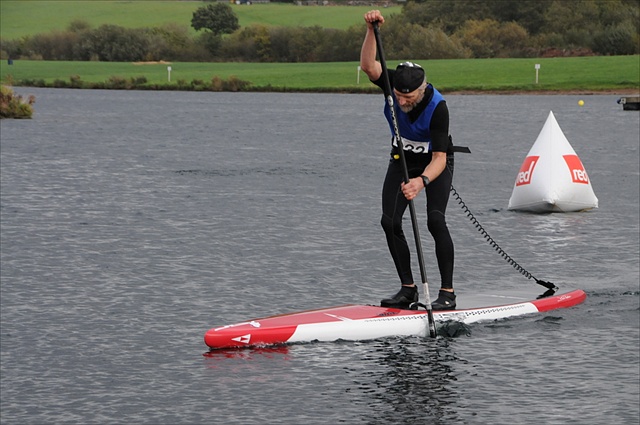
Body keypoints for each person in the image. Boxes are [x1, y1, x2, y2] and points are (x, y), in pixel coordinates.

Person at [360, 10, 458, 310]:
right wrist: (370, 30)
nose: (401, 102)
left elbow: (439, 158)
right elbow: (368, 66)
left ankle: (447, 294)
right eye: (398, 96)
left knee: (435, 221)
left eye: (409, 97)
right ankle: (408, 289)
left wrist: (421, 181)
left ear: (422, 89)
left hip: (434, 164)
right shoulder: (392, 83)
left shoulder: (438, 107)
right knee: (389, 221)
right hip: (401, 159)